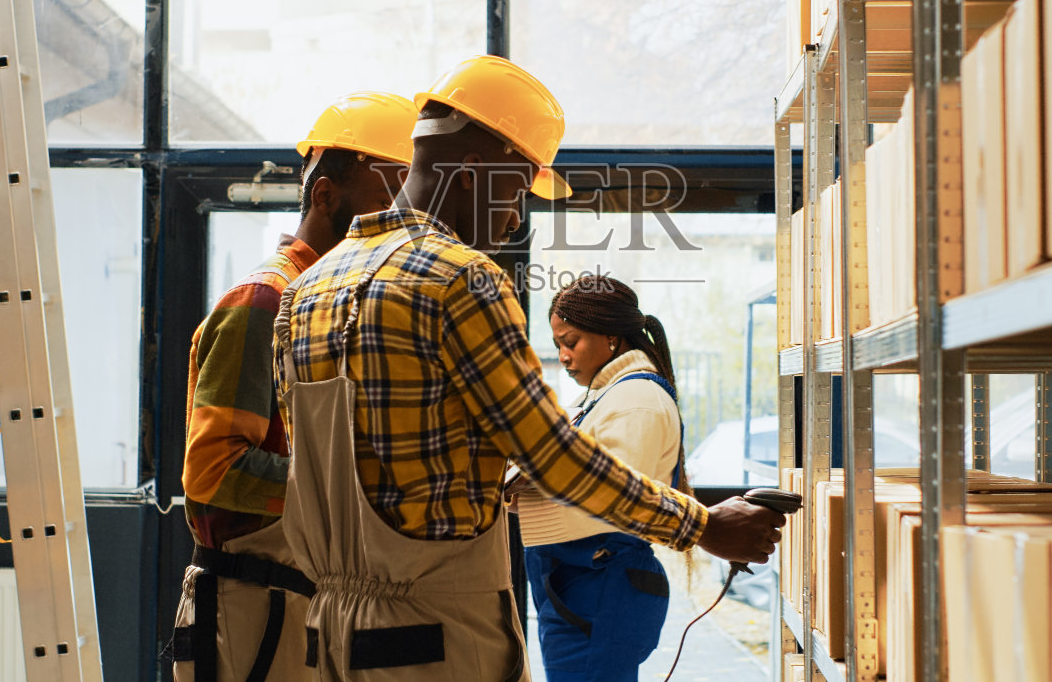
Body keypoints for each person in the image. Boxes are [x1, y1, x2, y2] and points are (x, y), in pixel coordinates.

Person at [271, 55, 785, 681]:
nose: (514, 217)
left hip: (327, 636)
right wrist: (702, 525)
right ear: (473, 172)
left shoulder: (306, 290)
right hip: (436, 633)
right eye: (514, 192)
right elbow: (553, 456)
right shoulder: (461, 278)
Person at [169, 91, 418, 682]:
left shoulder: (327, 308)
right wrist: (351, 484)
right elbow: (213, 471)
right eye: (381, 206)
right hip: (252, 608)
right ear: (325, 196)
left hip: (304, 602)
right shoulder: (264, 302)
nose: (391, 230)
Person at [513, 275, 690, 682]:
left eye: (571, 341)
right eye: (558, 344)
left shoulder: (636, 401)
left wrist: (533, 482)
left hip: (600, 584)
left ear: (611, 336)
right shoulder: (604, 395)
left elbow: (616, 500)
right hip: (581, 582)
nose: (564, 356)